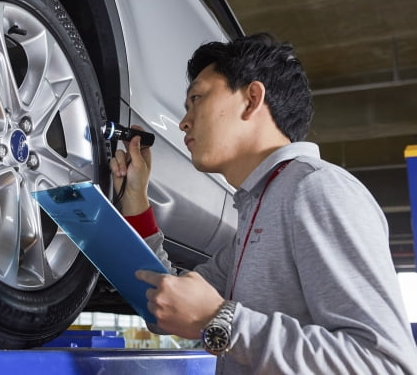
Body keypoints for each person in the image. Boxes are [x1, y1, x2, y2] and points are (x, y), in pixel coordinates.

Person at [110, 33, 417, 374]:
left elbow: (386, 365)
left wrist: (219, 321)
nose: (184, 121)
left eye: (196, 98)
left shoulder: (316, 189)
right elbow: (165, 306)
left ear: (252, 99)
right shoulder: (261, 209)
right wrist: (136, 201)